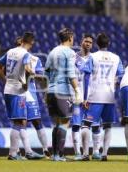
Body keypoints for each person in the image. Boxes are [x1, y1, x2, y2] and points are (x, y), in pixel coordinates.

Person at [0, 32, 44, 160]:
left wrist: (6, 80)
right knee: (19, 122)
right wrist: (26, 84)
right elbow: (28, 69)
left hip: (8, 89)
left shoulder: (10, 51)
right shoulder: (26, 54)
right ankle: (13, 154)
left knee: (20, 121)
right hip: (18, 91)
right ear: (31, 43)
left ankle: (24, 151)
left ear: (21, 40)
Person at [81, 33, 124, 161]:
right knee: (108, 126)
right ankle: (104, 154)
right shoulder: (116, 58)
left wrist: (85, 97)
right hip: (109, 96)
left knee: (86, 124)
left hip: (94, 95)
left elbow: (86, 76)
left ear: (97, 44)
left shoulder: (92, 57)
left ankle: (85, 154)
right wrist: (114, 83)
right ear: (108, 43)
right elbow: (122, 75)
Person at [45, 28, 81, 161]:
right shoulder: (70, 53)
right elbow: (71, 74)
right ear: (70, 37)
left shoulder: (52, 52)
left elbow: (46, 74)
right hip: (63, 91)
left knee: (57, 123)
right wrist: (77, 90)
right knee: (65, 122)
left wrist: (46, 92)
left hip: (51, 91)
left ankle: (55, 154)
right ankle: (59, 155)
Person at [15, 36, 50, 158]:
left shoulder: (35, 59)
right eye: (18, 43)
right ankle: (28, 150)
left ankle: (46, 149)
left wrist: (34, 75)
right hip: (17, 92)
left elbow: (41, 77)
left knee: (37, 121)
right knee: (20, 122)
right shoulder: (12, 57)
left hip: (30, 94)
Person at [70, 34, 95, 161]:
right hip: (76, 97)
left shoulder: (94, 59)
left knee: (89, 125)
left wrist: (89, 96)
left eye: (90, 42)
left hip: (90, 97)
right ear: (81, 42)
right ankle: (77, 152)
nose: (88, 44)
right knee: (75, 125)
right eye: (86, 41)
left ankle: (91, 152)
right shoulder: (73, 56)